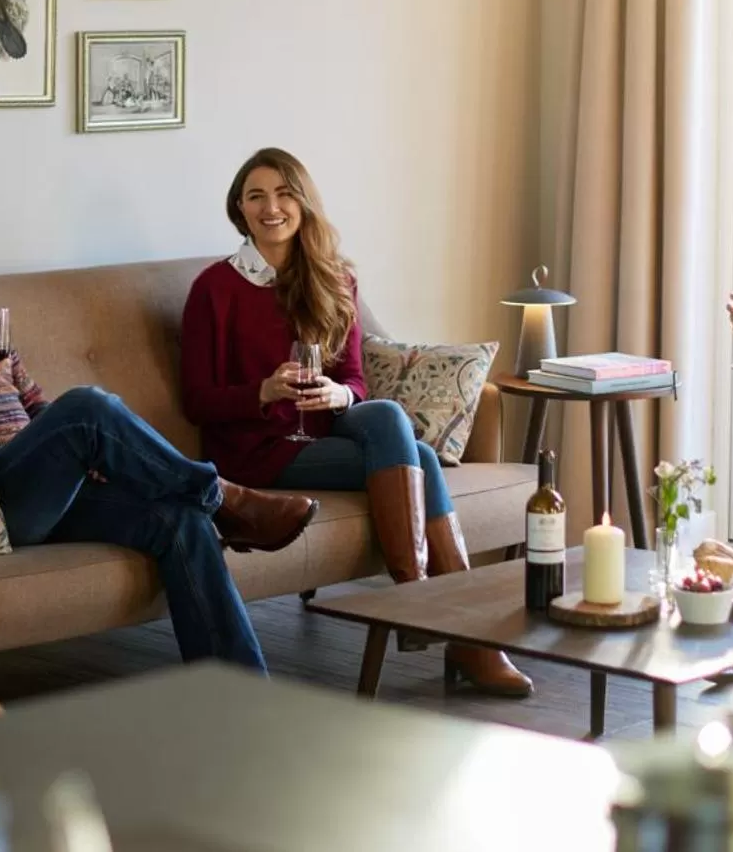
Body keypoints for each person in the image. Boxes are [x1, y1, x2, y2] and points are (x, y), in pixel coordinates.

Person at [0, 147, 319, 675]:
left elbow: (34, 403)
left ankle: (239, 691)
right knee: (87, 407)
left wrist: (96, 456)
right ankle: (224, 497)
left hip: (44, 487)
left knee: (179, 517)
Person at [179, 147, 532, 697]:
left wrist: (339, 394)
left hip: (324, 434)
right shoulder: (214, 289)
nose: (271, 208)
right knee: (419, 456)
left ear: (303, 203)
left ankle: (421, 606)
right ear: (239, 209)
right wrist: (262, 392)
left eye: (284, 194)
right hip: (257, 451)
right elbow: (198, 401)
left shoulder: (334, 279)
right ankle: (468, 638)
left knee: (387, 417)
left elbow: (356, 381)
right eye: (256, 197)